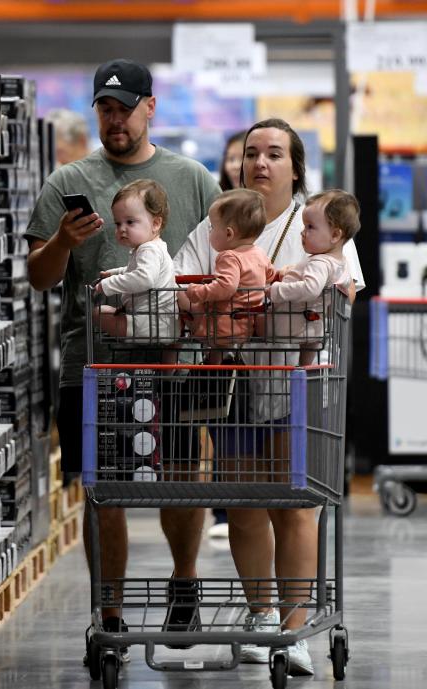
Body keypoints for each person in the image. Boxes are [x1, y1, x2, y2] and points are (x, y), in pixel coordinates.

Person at [26, 59, 221, 661]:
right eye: (105, 109)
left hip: (178, 363)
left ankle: (183, 584)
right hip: (96, 363)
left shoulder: (191, 179)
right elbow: (38, 276)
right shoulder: (67, 181)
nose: (115, 119)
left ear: (150, 108)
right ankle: (108, 617)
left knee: (183, 479)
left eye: (125, 108)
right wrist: (63, 241)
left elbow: (234, 247)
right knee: (103, 490)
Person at [174, 118, 364, 676]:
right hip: (233, 379)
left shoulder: (319, 220)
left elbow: (345, 289)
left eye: (275, 154)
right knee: (245, 501)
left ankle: (293, 626)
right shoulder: (223, 219)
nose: (260, 163)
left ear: (295, 166)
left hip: (297, 382)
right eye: (252, 153)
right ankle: (261, 617)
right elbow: (182, 277)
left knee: (296, 502)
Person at [181, 189, 273, 365]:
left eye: (213, 228)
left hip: (221, 326)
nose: (210, 232)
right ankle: (214, 364)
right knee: (217, 351)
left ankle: (211, 363)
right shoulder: (259, 254)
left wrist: (198, 291)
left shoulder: (229, 257)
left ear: (229, 234)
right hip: (244, 325)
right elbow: (271, 274)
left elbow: (226, 287)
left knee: (181, 295)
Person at [268, 190, 359, 366]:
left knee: (257, 324)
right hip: (314, 322)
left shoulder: (319, 262)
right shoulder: (340, 263)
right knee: (306, 359)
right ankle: (304, 369)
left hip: (292, 320)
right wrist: (292, 271)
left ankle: (302, 369)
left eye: (310, 227)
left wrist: (276, 290)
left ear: (335, 235)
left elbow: (311, 288)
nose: (303, 232)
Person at [208, 130, 246, 539]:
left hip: (267, 362)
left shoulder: (300, 219)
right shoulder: (213, 218)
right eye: (236, 156)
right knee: (223, 425)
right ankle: (222, 509)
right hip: (223, 350)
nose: (242, 164)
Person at [95, 179, 178, 347]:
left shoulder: (149, 250)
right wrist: (115, 273)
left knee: (98, 314)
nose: (122, 229)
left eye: (130, 222)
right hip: (163, 322)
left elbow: (144, 279)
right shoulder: (153, 247)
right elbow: (135, 270)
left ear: (156, 223)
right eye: (118, 223)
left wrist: (108, 284)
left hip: (150, 324)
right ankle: (171, 367)